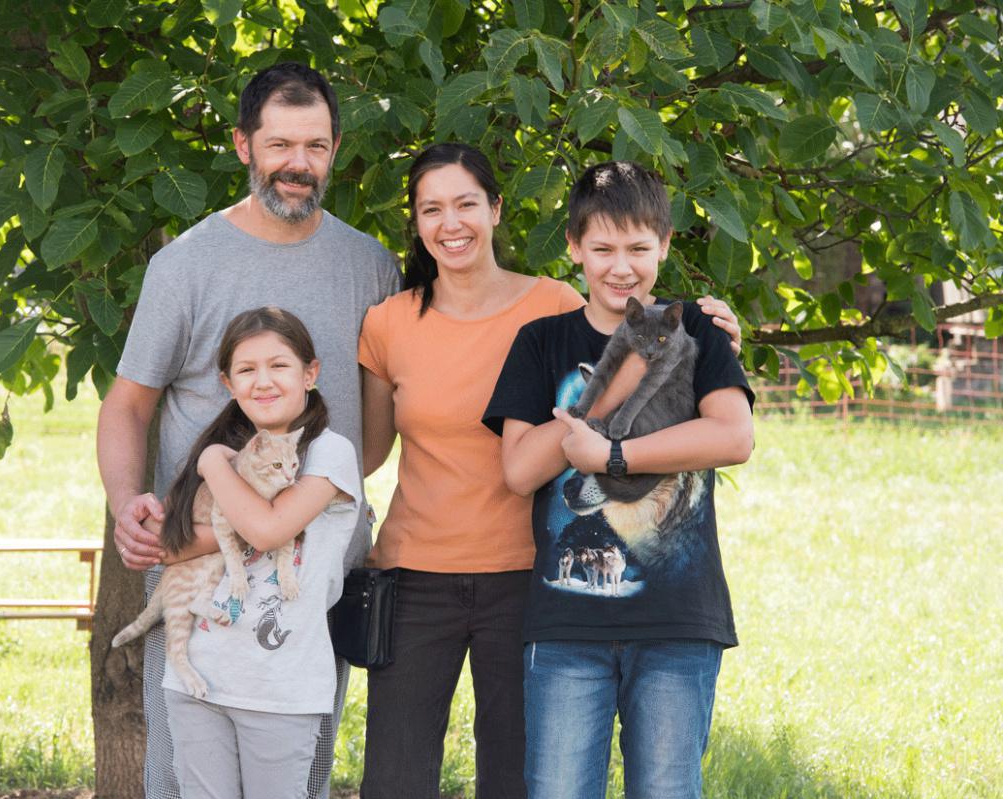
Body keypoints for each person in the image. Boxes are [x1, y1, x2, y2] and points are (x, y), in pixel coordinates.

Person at [357, 144, 742, 797]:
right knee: (418, 778)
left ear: (496, 209)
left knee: (567, 779)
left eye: (466, 204)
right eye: (432, 208)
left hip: (587, 590)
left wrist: (709, 334)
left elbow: (720, 418)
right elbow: (383, 453)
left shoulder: (586, 309)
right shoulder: (413, 325)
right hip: (467, 586)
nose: (451, 222)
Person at [96, 62, 397, 799]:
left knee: (298, 770)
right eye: (281, 144)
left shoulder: (370, 264)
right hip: (201, 558)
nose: (299, 164)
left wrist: (314, 501)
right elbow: (128, 402)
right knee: (184, 771)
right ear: (243, 146)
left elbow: (375, 425)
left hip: (313, 567)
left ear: (333, 151)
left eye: (317, 146)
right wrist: (126, 498)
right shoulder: (186, 265)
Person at [482, 161, 756, 798]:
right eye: (602, 248)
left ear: (664, 244)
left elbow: (733, 437)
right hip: (565, 625)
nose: (620, 266)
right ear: (574, 248)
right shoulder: (541, 342)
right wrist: (610, 385)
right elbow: (521, 470)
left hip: (678, 622)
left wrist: (609, 456)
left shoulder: (695, 333)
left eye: (638, 248)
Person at [159, 307, 362, 799]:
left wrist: (211, 463)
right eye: (247, 370)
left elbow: (269, 530)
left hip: (280, 687)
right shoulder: (228, 449)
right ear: (228, 383)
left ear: (310, 374)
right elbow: (172, 544)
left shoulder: (327, 452)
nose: (263, 382)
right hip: (198, 679)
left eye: (279, 366)